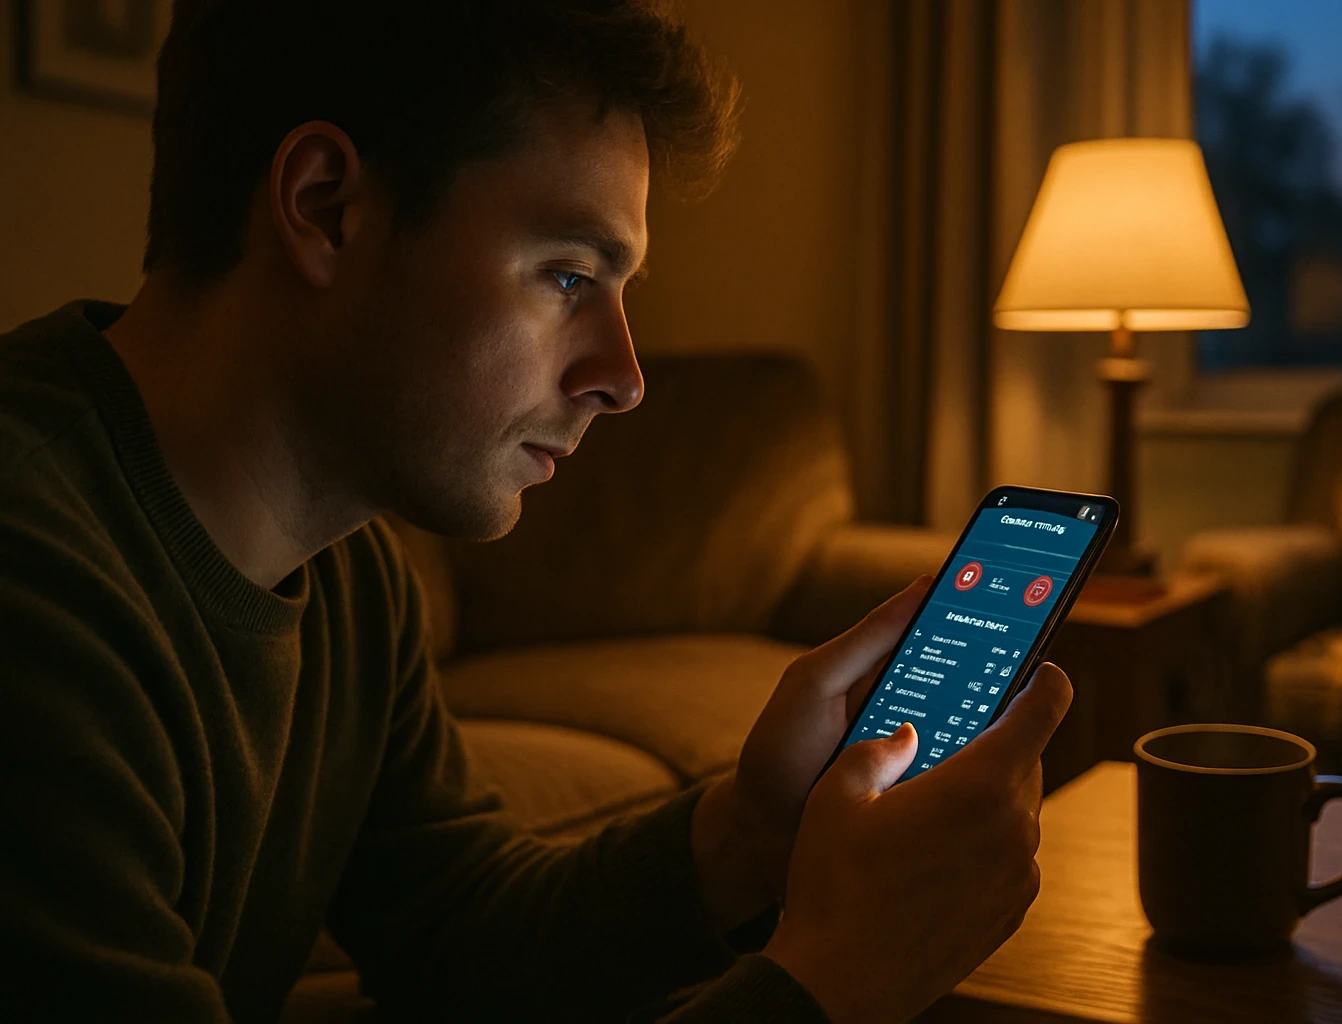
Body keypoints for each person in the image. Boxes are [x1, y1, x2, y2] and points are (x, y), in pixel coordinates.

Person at [0, 2, 1072, 1021]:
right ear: (326, 207)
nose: (624, 376)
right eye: (567, 275)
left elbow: (461, 931)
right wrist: (835, 983)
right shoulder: (36, 579)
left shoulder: (347, 564)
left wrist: (758, 829)